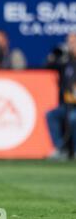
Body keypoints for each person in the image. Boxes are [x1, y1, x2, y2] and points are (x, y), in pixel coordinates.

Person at [45, 32, 76, 161]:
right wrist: (54, 55)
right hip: (67, 104)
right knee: (51, 114)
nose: (70, 45)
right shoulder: (67, 62)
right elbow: (48, 66)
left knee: (74, 118)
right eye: (69, 42)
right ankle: (60, 149)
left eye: (73, 42)